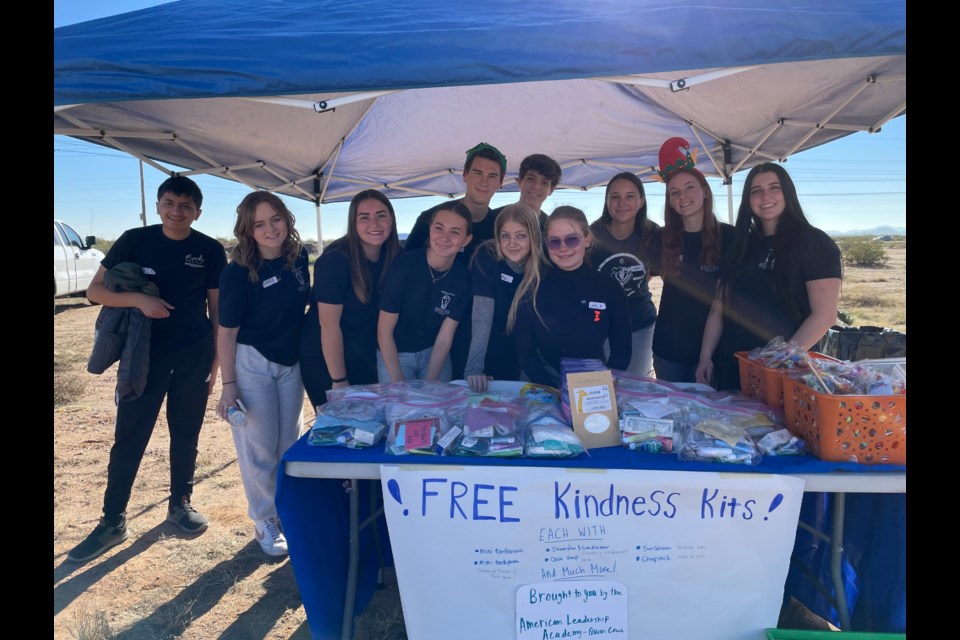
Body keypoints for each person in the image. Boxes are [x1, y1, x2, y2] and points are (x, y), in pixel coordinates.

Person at [68, 176, 227, 563]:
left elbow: (218, 311)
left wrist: (216, 365)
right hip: (144, 356)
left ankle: (180, 504)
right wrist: (138, 300)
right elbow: (95, 291)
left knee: (185, 433)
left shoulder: (209, 250)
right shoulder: (134, 240)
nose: (177, 211)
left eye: (186, 206)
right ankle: (112, 521)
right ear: (158, 206)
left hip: (194, 355)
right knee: (129, 437)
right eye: (170, 203)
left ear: (197, 212)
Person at [215, 192, 310, 557]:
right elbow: (226, 332)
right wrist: (228, 385)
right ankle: (264, 519)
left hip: (290, 361)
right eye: (260, 223)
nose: (270, 229)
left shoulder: (297, 256)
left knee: (289, 443)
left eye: (276, 219)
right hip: (252, 362)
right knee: (260, 448)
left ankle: (286, 511)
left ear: (286, 219)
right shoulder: (237, 273)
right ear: (248, 230)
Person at [696, 163, 842, 390]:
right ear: (748, 199)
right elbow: (718, 307)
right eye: (756, 191)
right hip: (732, 366)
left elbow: (824, 316)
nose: (765, 196)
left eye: (774, 187)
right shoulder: (741, 244)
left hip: (785, 374)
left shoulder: (813, 243)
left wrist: (776, 364)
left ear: (788, 193)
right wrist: (705, 356)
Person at [402, 142, 507, 380]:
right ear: (465, 175)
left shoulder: (501, 225)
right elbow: (409, 269)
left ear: (500, 183)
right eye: (477, 173)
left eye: (492, 176)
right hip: (431, 331)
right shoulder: (433, 218)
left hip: (479, 330)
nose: (484, 181)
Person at [299, 190, 402, 411]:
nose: (374, 223)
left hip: (364, 352)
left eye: (381, 215)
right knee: (341, 430)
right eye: (364, 217)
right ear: (353, 223)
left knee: (371, 425)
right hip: (326, 359)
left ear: (392, 220)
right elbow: (328, 325)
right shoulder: (335, 260)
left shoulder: (395, 256)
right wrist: (339, 380)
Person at [515, 206, 632, 388]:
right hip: (545, 383)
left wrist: (602, 384)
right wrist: (551, 390)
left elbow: (622, 350)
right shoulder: (533, 288)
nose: (563, 248)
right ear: (546, 244)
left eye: (572, 240)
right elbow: (525, 351)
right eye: (554, 242)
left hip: (595, 383)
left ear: (587, 239)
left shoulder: (609, 288)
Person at [650, 138, 735, 382]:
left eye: (689, 187)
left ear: (705, 192)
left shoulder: (730, 237)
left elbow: (723, 301)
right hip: (668, 351)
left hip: (716, 352)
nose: (682, 196)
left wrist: (706, 355)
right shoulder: (662, 238)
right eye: (674, 192)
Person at [377, 201, 474, 382]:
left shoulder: (462, 279)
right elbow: (384, 331)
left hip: (433, 352)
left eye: (455, 232)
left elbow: (445, 338)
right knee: (401, 408)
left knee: (438, 407)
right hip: (395, 352)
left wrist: (430, 385)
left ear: (466, 240)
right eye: (439, 228)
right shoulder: (404, 266)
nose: (445, 238)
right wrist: (400, 384)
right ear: (430, 229)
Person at [464, 203, 546, 392]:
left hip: (526, 351)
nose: (512, 243)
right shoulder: (487, 256)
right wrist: (474, 368)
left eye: (521, 236)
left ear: (533, 236)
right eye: (505, 236)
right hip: (488, 348)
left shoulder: (543, 265)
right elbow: (482, 317)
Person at [589, 172, 659, 376]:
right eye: (615, 196)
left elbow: (649, 274)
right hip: (599, 328)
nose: (622, 203)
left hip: (640, 326)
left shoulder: (653, 234)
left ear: (641, 201)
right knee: (601, 388)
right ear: (607, 200)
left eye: (629, 196)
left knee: (635, 387)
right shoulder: (592, 235)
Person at [491, 153, 562, 232]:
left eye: (544, 182)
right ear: (519, 181)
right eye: (531, 178)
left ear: (551, 190)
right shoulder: (494, 218)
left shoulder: (551, 229)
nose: (536, 186)